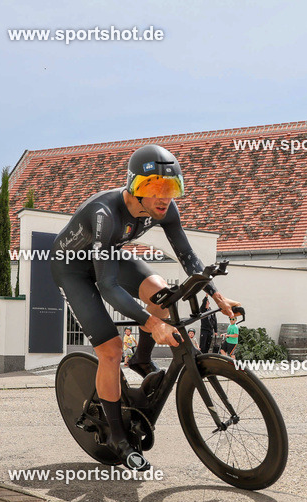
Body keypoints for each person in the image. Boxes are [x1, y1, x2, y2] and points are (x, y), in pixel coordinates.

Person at [51, 144, 241, 470]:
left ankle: (141, 358)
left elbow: (189, 259)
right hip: (72, 269)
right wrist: (152, 325)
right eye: (154, 187)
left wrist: (218, 297)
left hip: (109, 255)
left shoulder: (166, 210)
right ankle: (118, 438)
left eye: (170, 188)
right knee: (110, 350)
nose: (163, 197)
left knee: (164, 296)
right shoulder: (105, 215)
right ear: (134, 186)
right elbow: (107, 286)